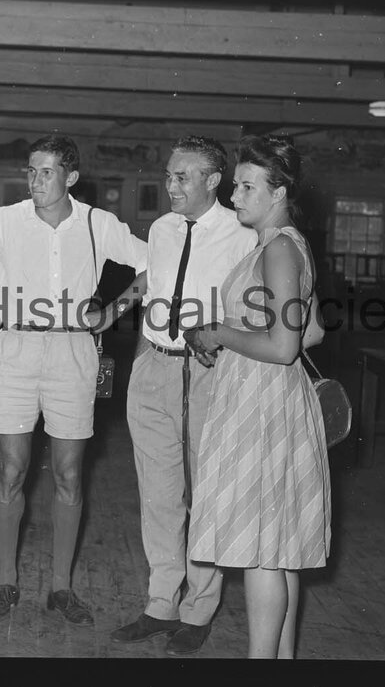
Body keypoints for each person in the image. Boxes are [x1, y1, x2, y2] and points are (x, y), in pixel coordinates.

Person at [0, 135, 147, 627]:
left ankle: (61, 587)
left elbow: (154, 265)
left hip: (74, 353)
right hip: (15, 350)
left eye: (46, 172)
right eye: (31, 171)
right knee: (11, 470)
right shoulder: (3, 220)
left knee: (69, 474)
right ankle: (6, 579)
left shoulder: (98, 223)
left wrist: (112, 313)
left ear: (70, 177)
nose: (35, 181)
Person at [184, 135, 331, 659]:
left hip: (261, 404)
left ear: (279, 190)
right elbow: (312, 330)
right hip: (268, 399)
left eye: (247, 186)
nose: (235, 195)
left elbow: (285, 345)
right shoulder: (285, 245)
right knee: (278, 550)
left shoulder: (278, 248)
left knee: (261, 553)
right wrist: (235, 332)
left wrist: (222, 334)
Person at [110, 136, 257, 656]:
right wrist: (114, 309)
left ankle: (199, 610)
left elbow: (257, 307)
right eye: (168, 175)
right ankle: (160, 604)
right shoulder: (162, 228)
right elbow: (155, 278)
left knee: (206, 494)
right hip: (153, 365)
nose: (169, 185)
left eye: (181, 177)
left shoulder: (242, 235)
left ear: (213, 181)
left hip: (208, 372)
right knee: (159, 492)